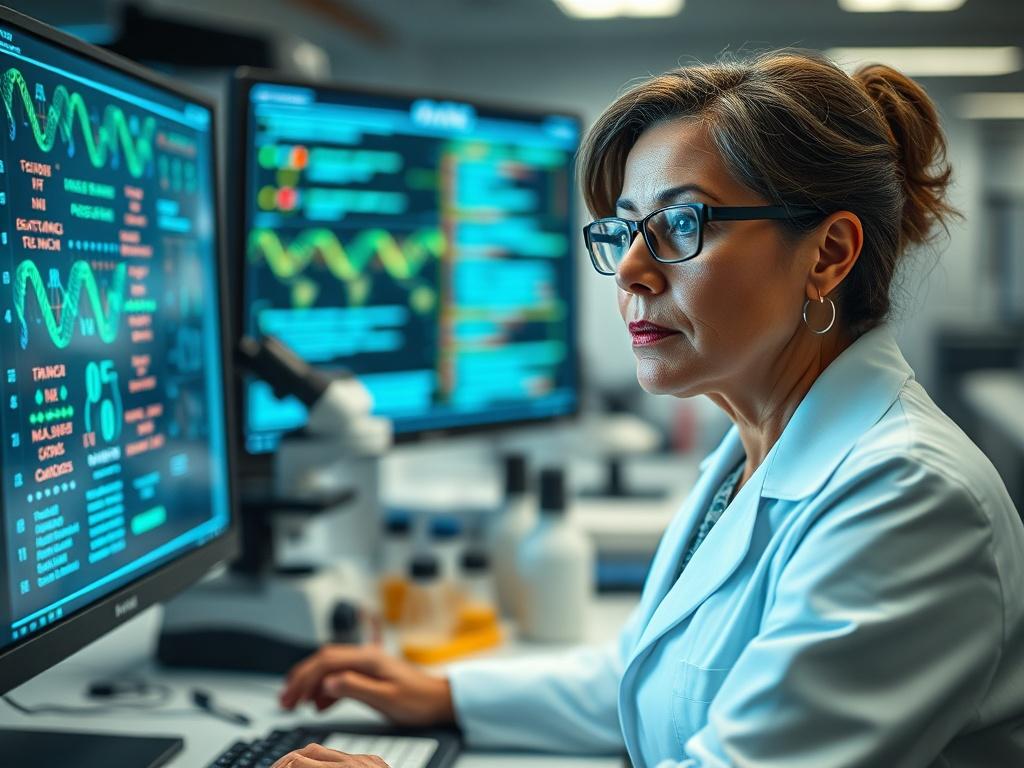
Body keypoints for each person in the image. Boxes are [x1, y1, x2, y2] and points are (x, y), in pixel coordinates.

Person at [271, 50, 1024, 768]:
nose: (631, 269)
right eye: (627, 228)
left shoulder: (910, 500)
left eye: (682, 224)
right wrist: (446, 693)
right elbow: (653, 677)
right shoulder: (754, 446)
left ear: (827, 255)